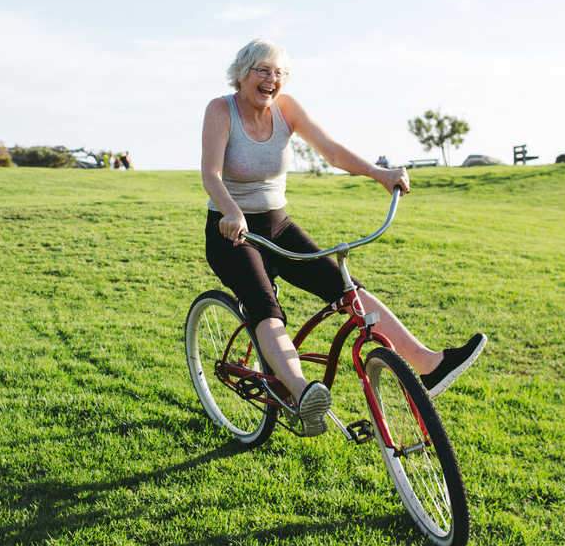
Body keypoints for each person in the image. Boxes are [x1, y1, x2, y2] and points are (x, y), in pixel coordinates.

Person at [201, 39, 487, 437]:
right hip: (232, 232)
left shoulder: (286, 109)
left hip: (277, 226)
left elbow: (331, 152)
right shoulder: (221, 110)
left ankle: (429, 366)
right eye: (262, 71)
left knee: (346, 288)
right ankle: (303, 396)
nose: (272, 80)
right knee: (264, 305)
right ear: (241, 73)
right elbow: (211, 175)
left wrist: (380, 174)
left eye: (279, 73)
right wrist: (232, 211)